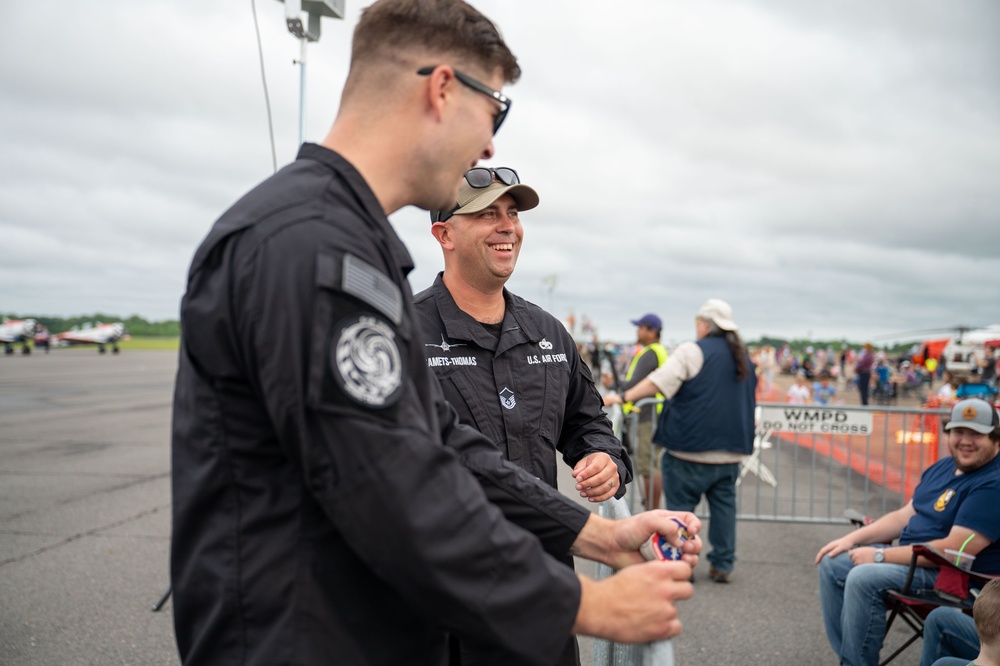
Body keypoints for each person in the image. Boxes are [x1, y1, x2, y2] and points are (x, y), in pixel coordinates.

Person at [169, 2, 701, 664]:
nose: (489, 146)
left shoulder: (346, 241)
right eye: (495, 113)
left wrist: (596, 535)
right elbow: (391, 484)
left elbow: (442, 448)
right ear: (442, 88)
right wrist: (584, 605)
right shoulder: (310, 246)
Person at [414, 168, 633, 665]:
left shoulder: (548, 332)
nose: (506, 225)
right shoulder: (403, 333)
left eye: (512, 214)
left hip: (543, 591)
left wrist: (605, 458)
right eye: (486, 213)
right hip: (445, 604)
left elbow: (587, 421)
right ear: (444, 234)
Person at [814, 398, 1000, 666]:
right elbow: (905, 516)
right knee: (832, 561)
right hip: (912, 561)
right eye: (959, 432)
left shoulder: (993, 483)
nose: (965, 441)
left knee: (863, 577)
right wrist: (850, 540)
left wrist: (879, 557)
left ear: (995, 439)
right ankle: (851, 659)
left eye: (976, 434)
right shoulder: (944, 467)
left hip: (952, 576)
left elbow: (953, 550)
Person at [605, 298, 756, 583]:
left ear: (704, 324)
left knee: (680, 509)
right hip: (731, 451)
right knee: (724, 507)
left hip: (690, 447)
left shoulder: (693, 351)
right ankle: (723, 564)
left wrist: (623, 397)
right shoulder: (742, 356)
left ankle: (680, 564)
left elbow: (658, 382)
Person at [602, 313, 668, 509]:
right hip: (652, 414)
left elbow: (634, 384)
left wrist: (615, 385)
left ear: (652, 331)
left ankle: (652, 512)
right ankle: (652, 509)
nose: (637, 331)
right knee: (650, 464)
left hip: (648, 415)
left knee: (648, 465)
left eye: (641, 327)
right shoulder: (657, 351)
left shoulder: (651, 353)